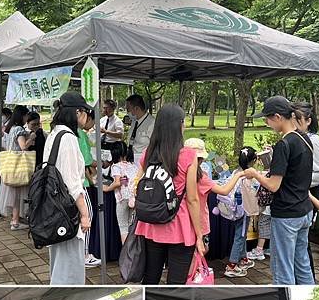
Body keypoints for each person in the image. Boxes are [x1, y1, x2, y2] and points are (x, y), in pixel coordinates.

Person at [244, 96, 314, 285]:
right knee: (302, 264)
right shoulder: (304, 138)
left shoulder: (284, 144)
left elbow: (274, 185)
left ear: (277, 117)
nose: (266, 123)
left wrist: (255, 174)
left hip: (287, 214)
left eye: (266, 119)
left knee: (282, 267)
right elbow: (295, 171)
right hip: (304, 210)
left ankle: (283, 296)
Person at [133, 103, 205, 284]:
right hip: (179, 227)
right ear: (179, 125)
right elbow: (192, 199)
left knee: (150, 277)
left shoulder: (148, 153)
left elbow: (137, 185)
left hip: (151, 223)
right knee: (176, 282)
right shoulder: (188, 155)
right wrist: (199, 235)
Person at [43, 91, 93, 284]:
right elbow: (73, 183)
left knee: (58, 263)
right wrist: (85, 214)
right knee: (70, 266)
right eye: (86, 113)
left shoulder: (54, 134)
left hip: (53, 208)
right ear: (78, 112)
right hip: (67, 210)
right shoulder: (69, 138)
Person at [184, 138, 253, 276]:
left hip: (184, 219)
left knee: (189, 251)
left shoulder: (179, 174)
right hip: (199, 221)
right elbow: (224, 190)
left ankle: (190, 274)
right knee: (200, 249)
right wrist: (239, 174)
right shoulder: (200, 177)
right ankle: (193, 275)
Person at [293, 102, 319, 278]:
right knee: (297, 242)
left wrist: (299, 182)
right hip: (296, 192)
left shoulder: (315, 141)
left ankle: (308, 278)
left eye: (296, 119)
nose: (293, 122)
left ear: (308, 121)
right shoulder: (294, 138)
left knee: (302, 241)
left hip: (308, 194)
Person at [0, 105, 35, 230]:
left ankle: (15, 219)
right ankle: (15, 221)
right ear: (22, 116)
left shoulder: (10, 128)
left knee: (14, 194)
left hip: (10, 163)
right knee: (17, 194)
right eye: (26, 116)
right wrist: (31, 139)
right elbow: (23, 146)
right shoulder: (18, 129)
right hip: (18, 165)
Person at [76, 109, 101, 268]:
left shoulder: (65, 132)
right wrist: (100, 163)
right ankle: (85, 255)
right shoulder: (80, 134)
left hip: (70, 184)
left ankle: (79, 255)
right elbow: (86, 160)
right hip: (81, 183)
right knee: (87, 218)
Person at [104, 141, 138, 244]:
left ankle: (126, 252)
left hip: (122, 198)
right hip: (133, 197)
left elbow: (117, 182)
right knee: (131, 225)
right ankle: (133, 251)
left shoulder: (116, 166)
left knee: (123, 226)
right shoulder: (133, 165)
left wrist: (107, 188)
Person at [125, 94, 155, 166]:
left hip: (143, 161)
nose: (127, 112)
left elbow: (155, 146)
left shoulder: (152, 123)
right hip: (131, 159)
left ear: (136, 108)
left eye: (128, 109)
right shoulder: (134, 121)